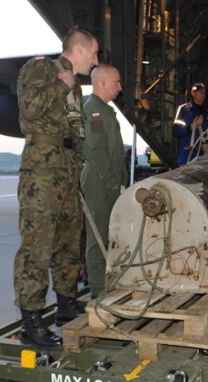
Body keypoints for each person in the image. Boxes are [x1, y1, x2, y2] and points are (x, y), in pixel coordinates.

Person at [14, 26, 100, 347]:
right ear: (78, 50)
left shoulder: (75, 85)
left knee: (68, 240)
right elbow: (29, 108)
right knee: (38, 243)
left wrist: (77, 170)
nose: (96, 60)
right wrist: (59, 87)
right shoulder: (41, 68)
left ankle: (66, 305)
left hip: (66, 166)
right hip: (43, 166)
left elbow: (75, 132)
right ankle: (31, 322)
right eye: (94, 53)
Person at [81, 64, 128, 297]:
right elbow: (98, 150)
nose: (120, 87)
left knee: (109, 234)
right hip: (98, 180)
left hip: (107, 179)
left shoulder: (105, 110)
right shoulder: (94, 111)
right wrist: (112, 184)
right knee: (97, 235)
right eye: (117, 82)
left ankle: (107, 283)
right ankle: (98, 291)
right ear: (102, 81)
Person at [172, 82, 208, 165]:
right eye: (200, 92)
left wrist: (207, 142)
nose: (203, 95)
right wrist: (191, 127)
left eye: (204, 93)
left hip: (203, 157)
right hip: (186, 157)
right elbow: (176, 131)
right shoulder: (184, 110)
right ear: (193, 93)